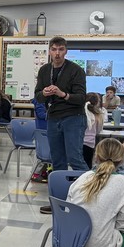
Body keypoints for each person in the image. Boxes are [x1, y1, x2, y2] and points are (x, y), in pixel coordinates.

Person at [34, 36, 88, 198]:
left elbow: (81, 98)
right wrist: (43, 93)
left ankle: (89, 196)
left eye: (61, 50)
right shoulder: (44, 70)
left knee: (75, 158)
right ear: (49, 51)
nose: (57, 53)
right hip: (53, 117)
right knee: (57, 161)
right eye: (54, 49)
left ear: (66, 51)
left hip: (73, 117)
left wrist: (62, 94)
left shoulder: (76, 70)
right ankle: (59, 199)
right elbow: (37, 96)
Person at [82, 92, 105, 168]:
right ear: (97, 103)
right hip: (89, 143)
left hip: (78, 142)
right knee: (88, 163)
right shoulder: (98, 115)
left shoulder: (81, 113)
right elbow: (98, 130)